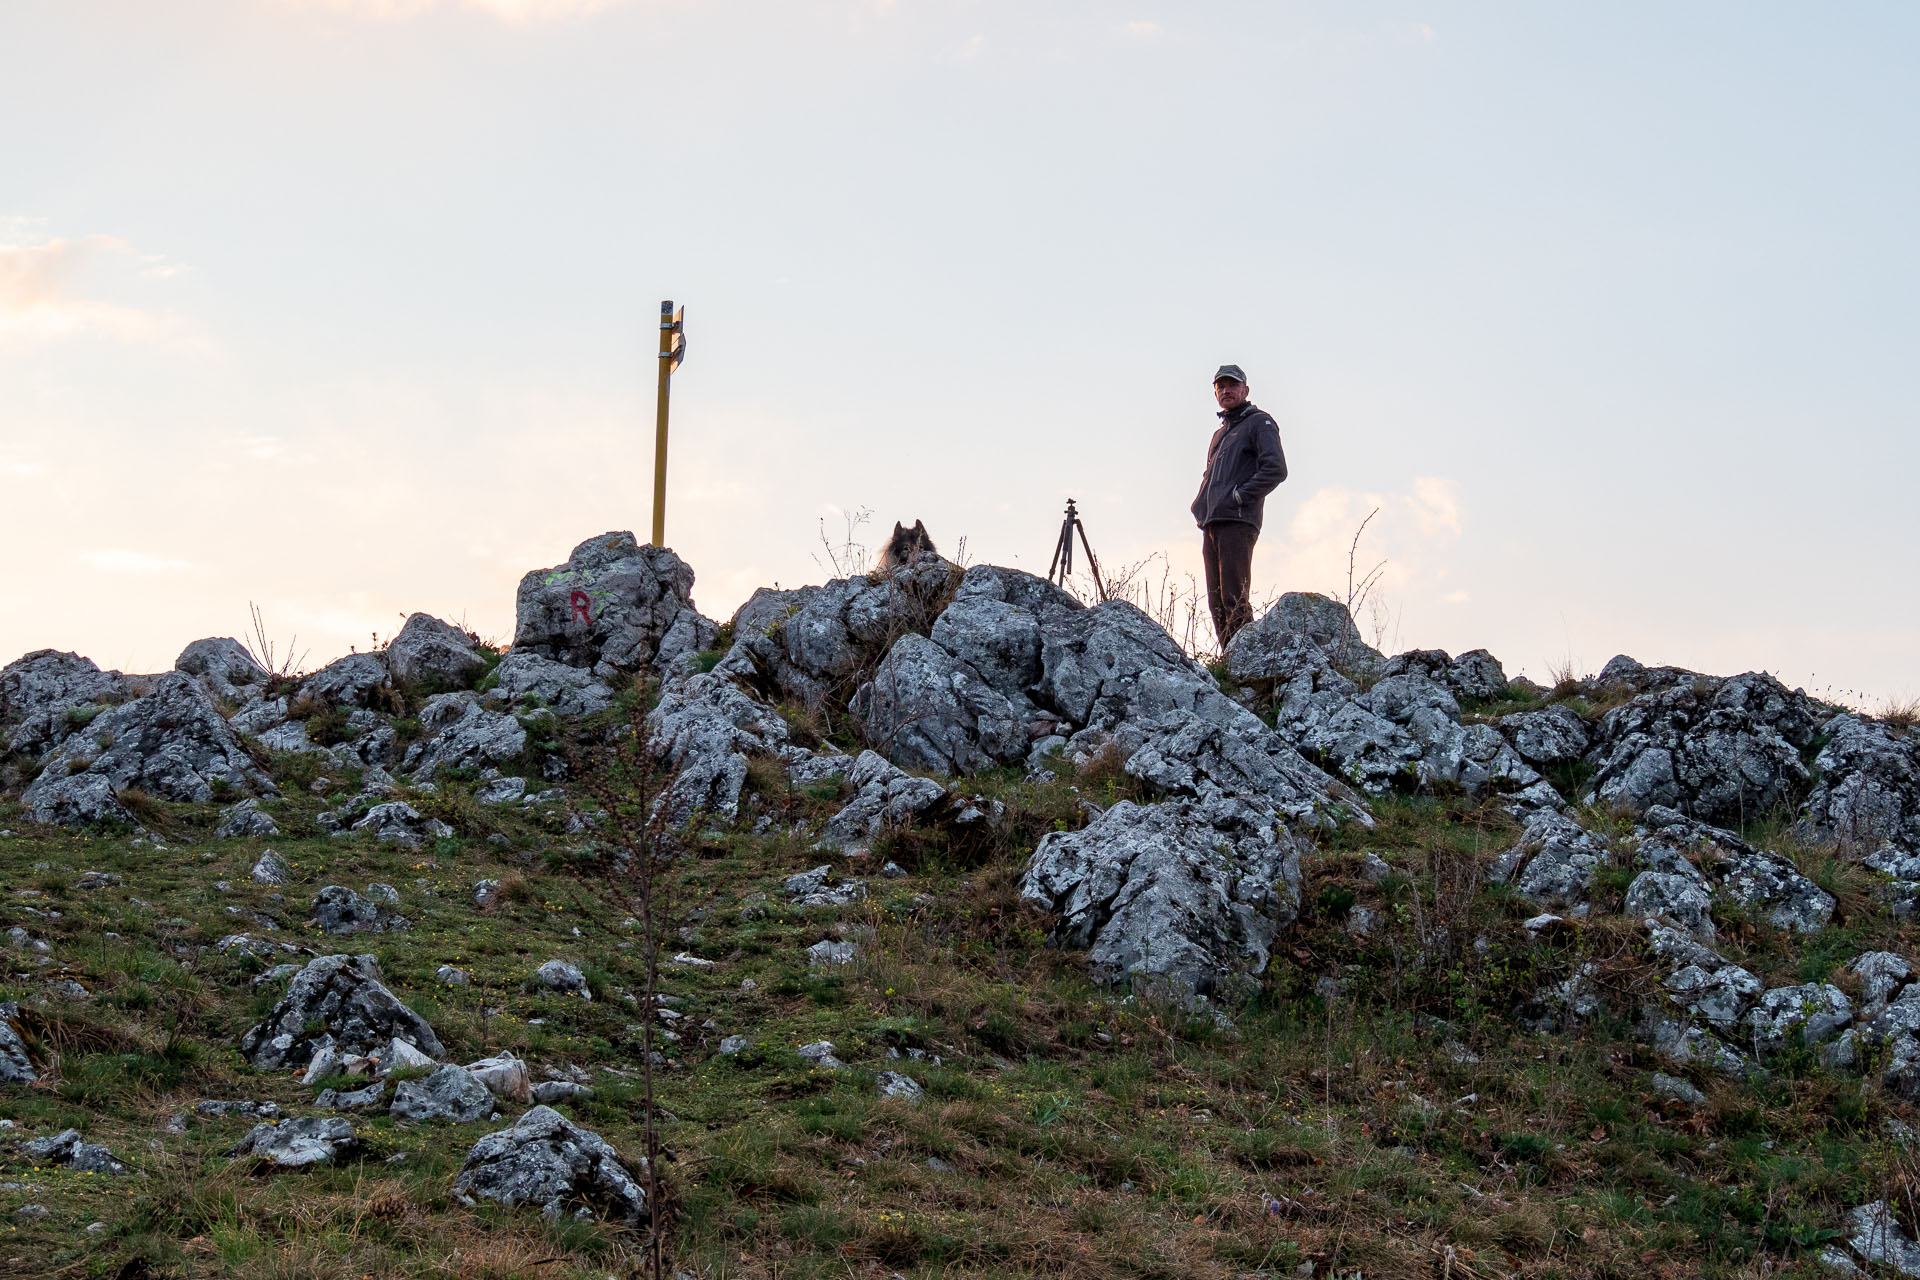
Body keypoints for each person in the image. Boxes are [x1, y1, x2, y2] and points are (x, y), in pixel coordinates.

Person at [1190, 364, 1288, 647]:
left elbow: (1276, 469)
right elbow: (1211, 476)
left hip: (1238, 520)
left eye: (1232, 385)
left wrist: (1239, 496)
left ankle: (1248, 659)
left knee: (1234, 596)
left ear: (1245, 390)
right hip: (1212, 521)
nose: (1226, 390)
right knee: (1216, 600)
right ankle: (1230, 661)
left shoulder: (1260, 422)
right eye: (1220, 386)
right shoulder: (1220, 434)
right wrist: (1200, 505)